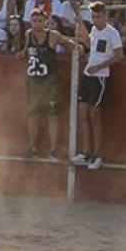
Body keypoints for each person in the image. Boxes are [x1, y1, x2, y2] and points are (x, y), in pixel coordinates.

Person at [72, 2, 124, 170]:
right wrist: (79, 21)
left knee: (95, 116)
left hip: (100, 78)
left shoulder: (112, 33)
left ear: (105, 15)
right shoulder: (94, 30)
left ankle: (97, 154)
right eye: (93, 17)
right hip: (88, 75)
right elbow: (89, 44)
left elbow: (119, 56)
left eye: (98, 16)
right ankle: (86, 152)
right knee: (83, 114)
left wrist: (99, 67)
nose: (95, 20)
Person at [22, 9, 76, 160]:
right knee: (33, 115)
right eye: (34, 21)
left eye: (40, 21)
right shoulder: (29, 34)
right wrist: (21, 53)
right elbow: (26, 49)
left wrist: (77, 48)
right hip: (34, 81)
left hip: (50, 82)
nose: (37, 24)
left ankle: (53, 149)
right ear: (31, 21)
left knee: (52, 115)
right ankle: (32, 147)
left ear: (45, 22)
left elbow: (67, 43)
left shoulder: (52, 35)